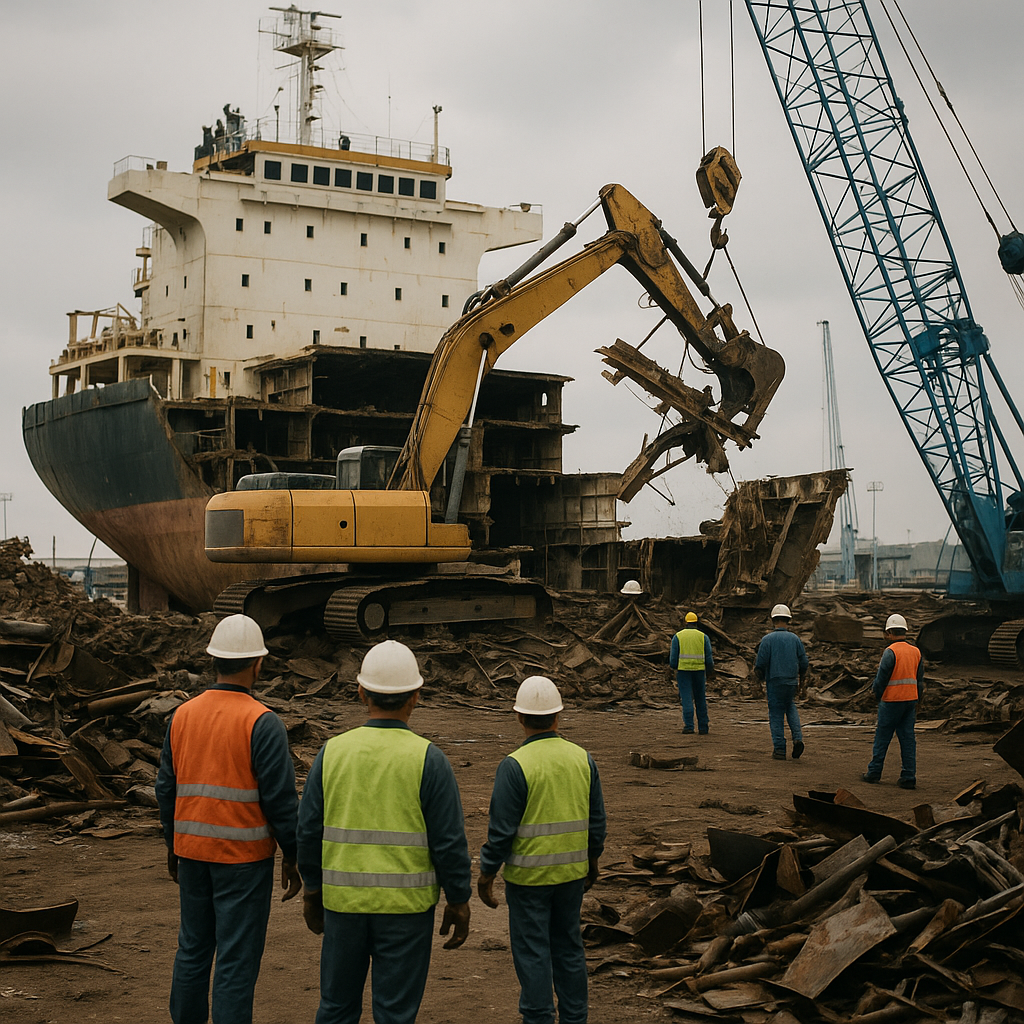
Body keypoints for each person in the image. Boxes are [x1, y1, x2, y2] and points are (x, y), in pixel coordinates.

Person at [297, 640, 472, 1024]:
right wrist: (458, 898)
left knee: (337, 1008)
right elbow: (448, 842)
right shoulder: (430, 759)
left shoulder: (332, 752)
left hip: (343, 907)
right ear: (416, 696)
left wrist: (312, 888)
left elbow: (308, 830)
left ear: (360, 693)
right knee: (395, 1014)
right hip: (406, 912)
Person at [155, 613, 301, 1024]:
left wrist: (172, 843)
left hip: (192, 854)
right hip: (243, 860)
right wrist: (293, 854)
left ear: (213, 660)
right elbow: (280, 801)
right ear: (258, 664)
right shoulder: (262, 721)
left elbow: (166, 787)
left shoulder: (182, 715)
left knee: (193, 949)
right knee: (236, 960)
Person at [478, 676, 606, 1024]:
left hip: (528, 880)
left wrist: (487, 872)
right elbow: (597, 819)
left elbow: (501, 831)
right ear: (558, 716)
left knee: (533, 951)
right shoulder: (582, 759)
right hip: (570, 876)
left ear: (519, 717)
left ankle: (538, 1018)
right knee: (568, 947)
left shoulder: (515, 765)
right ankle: (575, 1017)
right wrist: (592, 860)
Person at [862, 613, 924, 789]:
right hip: (910, 700)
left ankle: (874, 772)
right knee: (908, 739)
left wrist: (876, 694)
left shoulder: (890, 652)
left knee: (882, 737)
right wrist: (919, 699)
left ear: (889, 632)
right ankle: (908, 776)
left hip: (891, 701)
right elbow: (920, 680)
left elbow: (881, 678)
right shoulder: (916, 651)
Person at [754, 603, 809, 761]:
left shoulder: (767, 639)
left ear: (773, 620)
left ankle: (779, 749)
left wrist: (758, 678)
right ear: (788, 620)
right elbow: (804, 662)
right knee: (790, 707)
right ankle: (797, 738)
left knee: (776, 713)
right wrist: (801, 679)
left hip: (775, 681)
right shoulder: (795, 639)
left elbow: (761, 663)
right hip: (791, 682)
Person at [669, 611, 714, 734]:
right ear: (696, 622)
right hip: (699, 671)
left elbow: (673, 658)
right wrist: (710, 670)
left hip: (683, 671)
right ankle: (703, 727)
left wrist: (674, 667)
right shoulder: (703, 636)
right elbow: (709, 657)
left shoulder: (678, 636)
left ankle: (689, 726)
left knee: (687, 698)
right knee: (700, 698)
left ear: (685, 622)